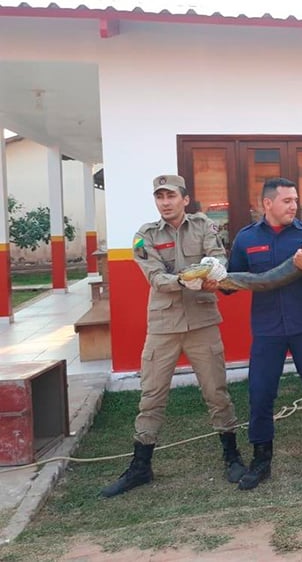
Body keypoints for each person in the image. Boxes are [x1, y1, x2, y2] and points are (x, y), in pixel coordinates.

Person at [101, 175, 244, 498]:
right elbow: (154, 276)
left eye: (171, 196)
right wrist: (186, 279)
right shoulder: (144, 235)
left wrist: (213, 269)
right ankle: (141, 466)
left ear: (185, 199)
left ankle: (232, 456)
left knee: (217, 393)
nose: (165, 202)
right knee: (151, 396)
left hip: (202, 322)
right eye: (159, 197)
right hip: (163, 327)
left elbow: (216, 257)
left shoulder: (203, 225)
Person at [228, 177, 302, 490]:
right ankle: (261, 461)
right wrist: (214, 280)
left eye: (295, 200)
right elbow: (233, 282)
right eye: (286, 201)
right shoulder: (246, 239)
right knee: (260, 395)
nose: (293, 206)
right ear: (267, 204)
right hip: (267, 330)